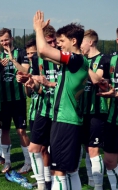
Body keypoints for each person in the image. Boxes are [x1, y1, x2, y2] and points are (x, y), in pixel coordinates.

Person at [32, 10, 88, 190]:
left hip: (66, 120)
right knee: (70, 171)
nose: (58, 44)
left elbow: (42, 49)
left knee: (59, 172)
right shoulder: (73, 61)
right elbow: (43, 55)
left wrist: (38, 30)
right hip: (66, 119)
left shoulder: (76, 59)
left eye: (61, 41)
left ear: (73, 41)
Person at [28, 26, 58, 189]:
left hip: (61, 112)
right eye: (49, 42)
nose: (52, 44)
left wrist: (49, 83)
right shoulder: (36, 60)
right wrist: (31, 84)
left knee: (55, 151)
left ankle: (55, 181)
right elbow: (37, 89)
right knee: (35, 149)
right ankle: (42, 184)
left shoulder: (64, 58)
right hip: (44, 109)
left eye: (54, 41)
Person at [80, 29, 110, 189]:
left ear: (90, 42)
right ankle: (92, 181)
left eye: (82, 42)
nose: (79, 45)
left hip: (98, 111)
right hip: (82, 111)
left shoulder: (104, 59)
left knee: (94, 148)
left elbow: (97, 79)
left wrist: (82, 63)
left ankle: (98, 187)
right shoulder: (83, 60)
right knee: (87, 147)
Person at [0, 28, 30, 174]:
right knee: (4, 130)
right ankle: (7, 161)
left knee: (21, 130)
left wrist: (12, 60)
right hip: (3, 100)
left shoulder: (21, 53)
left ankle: (28, 162)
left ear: (11, 38)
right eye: (1, 41)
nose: (4, 42)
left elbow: (25, 71)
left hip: (18, 100)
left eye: (6, 39)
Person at [97, 27, 118, 190]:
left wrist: (115, 94)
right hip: (113, 118)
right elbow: (108, 86)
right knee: (109, 161)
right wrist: (106, 88)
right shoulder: (111, 60)